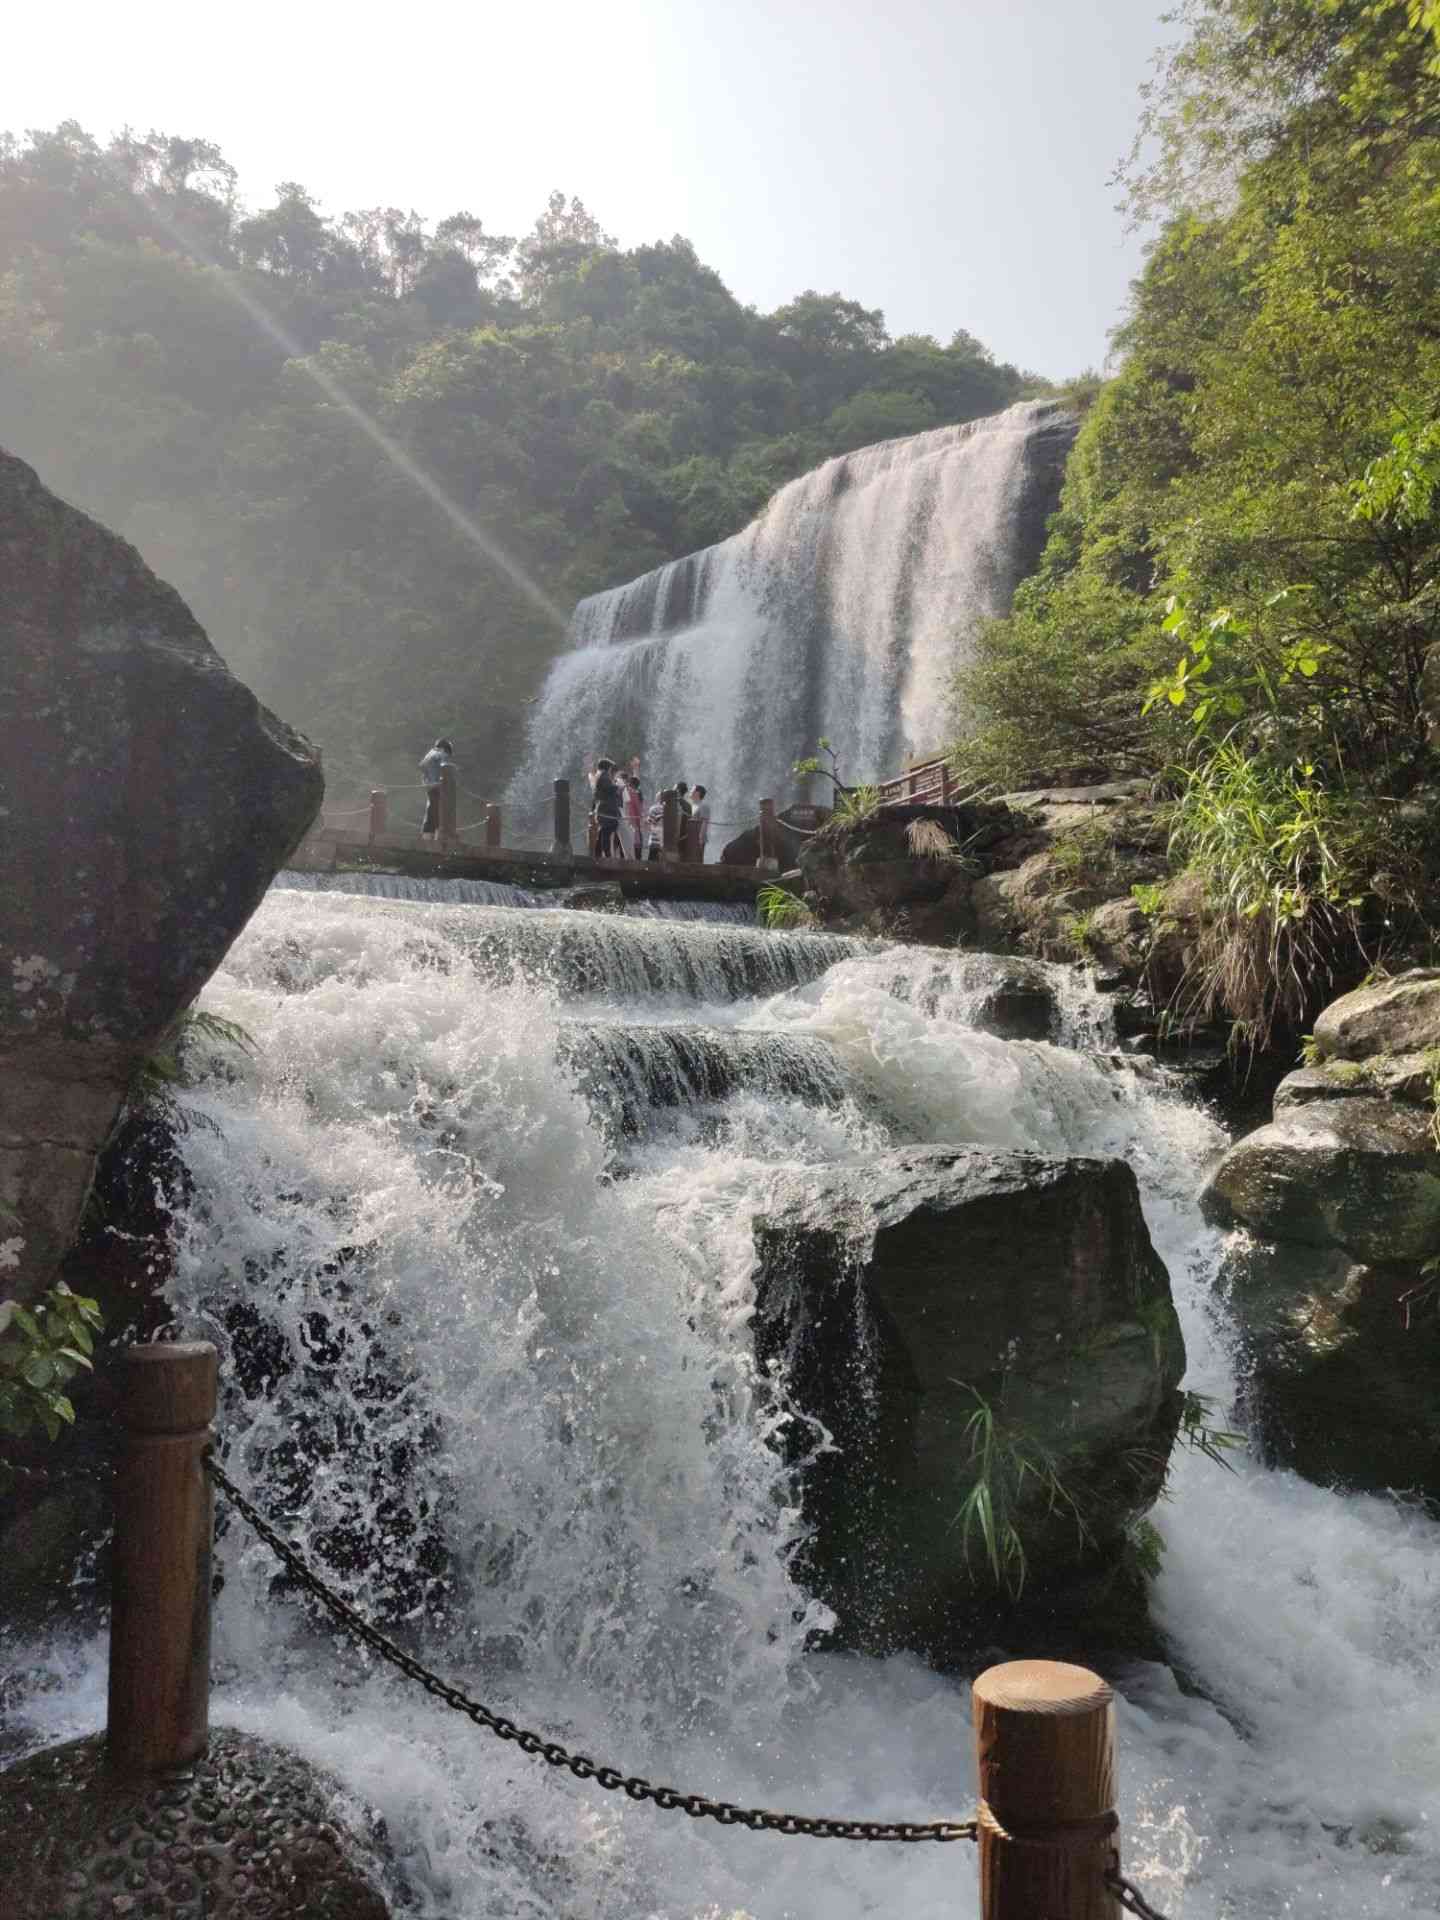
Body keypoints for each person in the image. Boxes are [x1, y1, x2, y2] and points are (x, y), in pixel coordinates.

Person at [419, 737, 454, 837]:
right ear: (443, 749)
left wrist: (426, 782)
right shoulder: (439, 754)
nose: (447, 756)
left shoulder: (429, 754)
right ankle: (436, 838)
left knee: (431, 812)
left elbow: (422, 767)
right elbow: (444, 767)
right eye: (447, 753)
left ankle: (427, 837)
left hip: (430, 786)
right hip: (437, 787)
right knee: (438, 813)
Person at [591, 757, 624, 861]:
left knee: (604, 831)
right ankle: (606, 853)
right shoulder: (604, 775)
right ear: (607, 767)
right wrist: (618, 787)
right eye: (610, 768)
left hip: (603, 808)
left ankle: (598, 852)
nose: (611, 770)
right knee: (609, 828)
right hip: (607, 809)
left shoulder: (599, 775)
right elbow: (609, 789)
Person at [624, 773, 645, 860]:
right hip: (633, 822)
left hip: (626, 820)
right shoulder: (634, 793)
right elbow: (639, 810)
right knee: (636, 842)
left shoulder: (627, 792)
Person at [645, 787, 669, 861]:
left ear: (658, 798)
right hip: (665, 842)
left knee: (651, 864)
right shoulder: (669, 809)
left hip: (654, 841)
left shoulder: (654, 808)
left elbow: (649, 822)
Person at [690, 784, 711, 861]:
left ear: (697, 793)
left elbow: (705, 822)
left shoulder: (703, 806)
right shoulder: (692, 805)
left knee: (697, 859)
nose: (690, 791)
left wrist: (700, 838)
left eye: (692, 790)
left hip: (698, 838)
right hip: (690, 837)